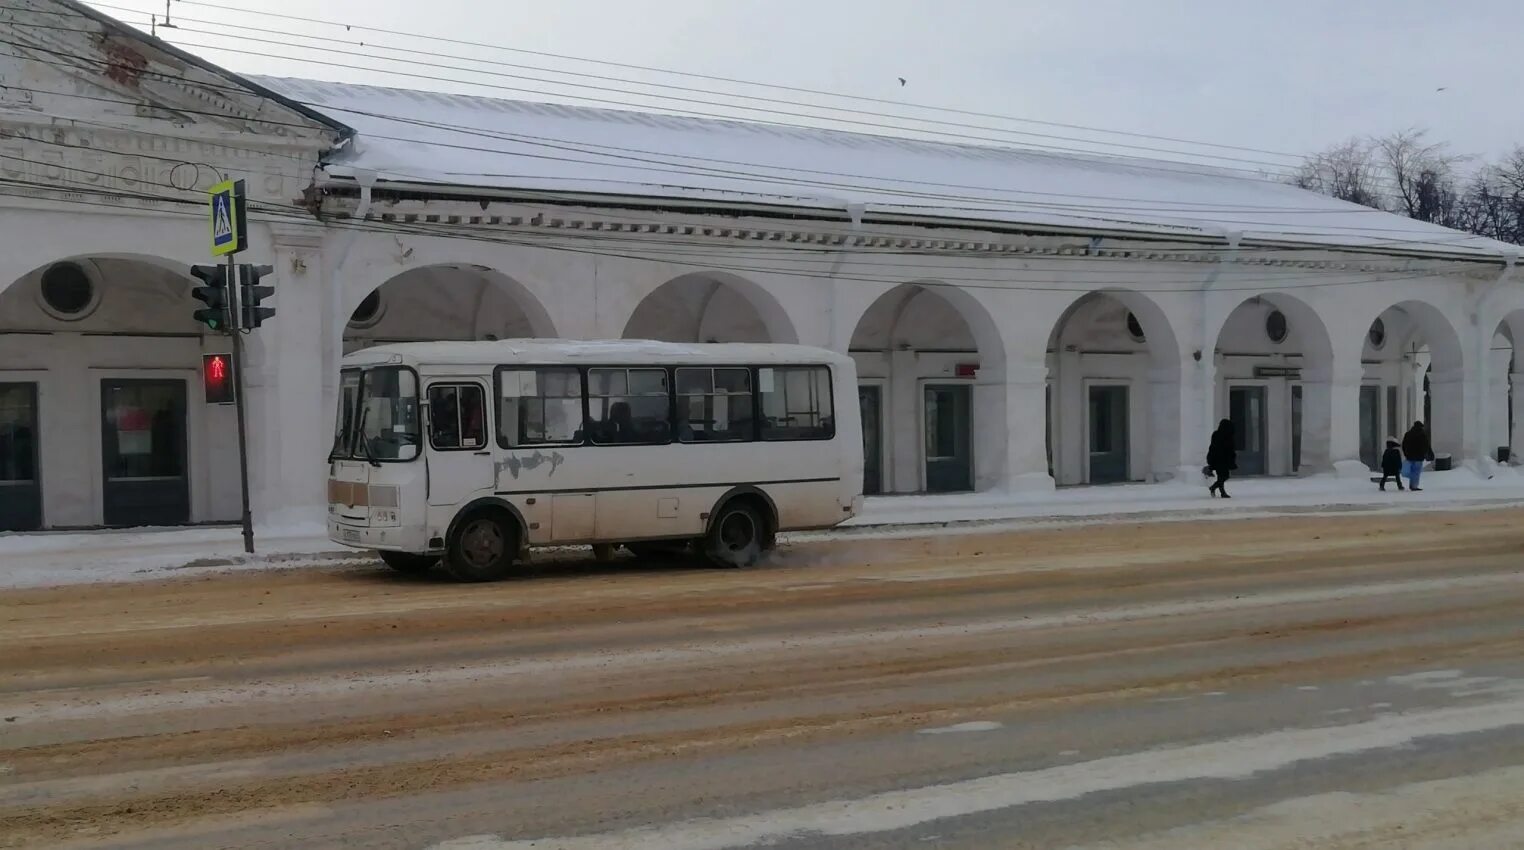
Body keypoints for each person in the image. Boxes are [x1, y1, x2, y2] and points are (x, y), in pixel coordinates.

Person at [1206, 418, 1237, 498]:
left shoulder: (1227, 435)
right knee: (1224, 476)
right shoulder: (1219, 435)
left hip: (1223, 459)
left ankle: (1216, 489)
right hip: (1219, 459)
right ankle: (1219, 491)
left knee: (1223, 476)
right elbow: (1215, 447)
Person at [1401, 421, 1433, 492]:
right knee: (1416, 472)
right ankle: (1414, 486)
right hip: (1419, 457)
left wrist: (1406, 453)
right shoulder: (1422, 435)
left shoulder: (1408, 434)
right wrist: (1428, 454)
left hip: (1409, 457)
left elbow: (1404, 445)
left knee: (1407, 470)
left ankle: (1412, 483)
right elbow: (1426, 446)